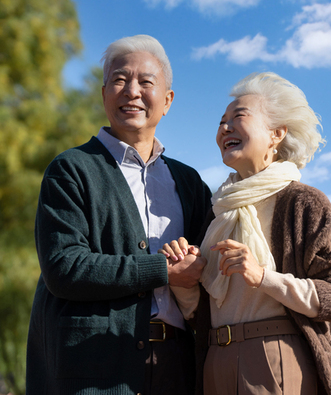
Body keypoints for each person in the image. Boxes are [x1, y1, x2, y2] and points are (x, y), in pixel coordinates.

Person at [26, 35, 212, 395]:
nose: (131, 91)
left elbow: (209, 267)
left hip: (178, 365)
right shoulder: (71, 169)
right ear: (104, 93)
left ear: (168, 101)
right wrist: (161, 270)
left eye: (146, 81)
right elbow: (64, 267)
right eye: (119, 79)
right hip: (93, 369)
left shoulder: (189, 183)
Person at [162, 72, 331, 395]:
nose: (225, 128)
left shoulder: (302, 202)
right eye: (221, 121)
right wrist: (183, 280)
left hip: (275, 356)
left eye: (238, 117)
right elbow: (201, 314)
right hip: (214, 360)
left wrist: (263, 277)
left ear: (276, 134)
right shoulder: (217, 211)